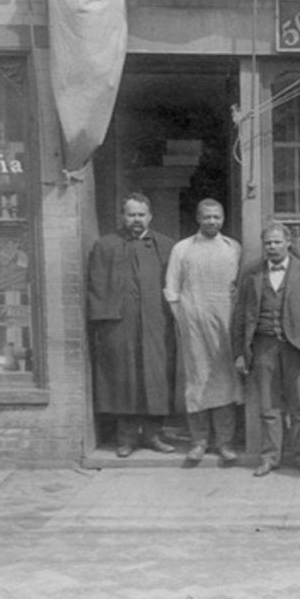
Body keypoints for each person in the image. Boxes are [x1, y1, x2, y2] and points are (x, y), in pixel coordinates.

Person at [232, 221, 300, 477]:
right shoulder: (251, 273)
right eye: (268, 243)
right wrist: (239, 352)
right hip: (263, 347)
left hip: (296, 348)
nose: (272, 247)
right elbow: (240, 315)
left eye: (277, 242)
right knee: (268, 406)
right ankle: (270, 458)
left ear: (288, 243)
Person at [87, 192, 177, 458]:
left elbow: (175, 284)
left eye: (141, 214)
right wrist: (104, 324)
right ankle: (125, 438)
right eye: (131, 214)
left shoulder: (166, 246)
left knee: (155, 377)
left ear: (150, 216)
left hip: (156, 324)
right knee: (124, 379)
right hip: (120, 325)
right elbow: (96, 285)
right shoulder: (105, 246)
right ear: (122, 216)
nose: (136, 219)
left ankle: (153, 435)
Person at [164, 199, 243, 464]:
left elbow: (239, 289)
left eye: (217, 217)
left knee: (225, 380)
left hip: (225, 325)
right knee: (197, 379)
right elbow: (172, 290)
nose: (212, 221)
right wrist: (185, 320)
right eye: (207, 217)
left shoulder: (233, 248)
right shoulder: (182, 249)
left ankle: (224, 442)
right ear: (198, 219)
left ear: (223, 218)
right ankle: (199, 441)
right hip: (194, 325)